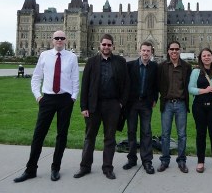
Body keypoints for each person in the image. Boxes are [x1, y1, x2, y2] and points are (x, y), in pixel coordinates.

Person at [14, 30, 79, 183]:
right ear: (52, 40)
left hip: (65, 99)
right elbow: (36, 77)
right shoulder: (44, 55)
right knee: (39, 134)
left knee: (61, 135)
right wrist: (38, 96)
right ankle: (30, 169)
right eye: (57, 38)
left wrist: (73, 97)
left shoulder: (72, 57)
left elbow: (75, 80)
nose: (59, 40)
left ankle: (55, 168)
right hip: (47, 99)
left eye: (62, 38)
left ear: (65, 40)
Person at [74, 34, 129, 180]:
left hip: (112, 105)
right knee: (89, 137)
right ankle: (85, 167)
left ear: (113, 46)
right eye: (104, 44)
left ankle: (107, 168)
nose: (106, 47)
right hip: (94, 105)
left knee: (110, 138)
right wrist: (83, 106)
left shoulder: (120, 61)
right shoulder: (91, 62)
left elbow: (126, 85)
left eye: (109, 45)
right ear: (100, 45)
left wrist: (121, 103)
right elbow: (85, 85)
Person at [188, 48, 212, 174]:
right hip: (199, 106)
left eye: (208, 55)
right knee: (201, 134)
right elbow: (190, 88)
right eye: (204, 55)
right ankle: (201, 162)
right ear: (200, 58)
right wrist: (205, 90)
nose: (206, 57)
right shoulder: (196, 72)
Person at [123, 41, 158, 174]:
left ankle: (147, 160)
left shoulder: (154, 66)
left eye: (148, 51)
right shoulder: (130, 65)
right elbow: (124, 84)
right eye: (143, 50)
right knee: (131, 131)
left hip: (146, 104)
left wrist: (155, 98)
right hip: (132, 104)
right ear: (139, 51)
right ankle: (132, 159)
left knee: (146, 132)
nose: (145, 53)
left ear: (151, 52)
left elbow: (156, 85)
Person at [157, 41, 192, 173]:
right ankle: (165, 160)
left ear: (180, 50)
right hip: (167, 104)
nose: (174, 51)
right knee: (165, 135)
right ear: (168, 51)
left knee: (182, 135)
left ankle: (181, 160)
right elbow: (156, 84)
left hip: (181, 104)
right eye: (172, 49)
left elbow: (191, 84)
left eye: (176, 49)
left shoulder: (187, 67)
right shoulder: (162, 66)